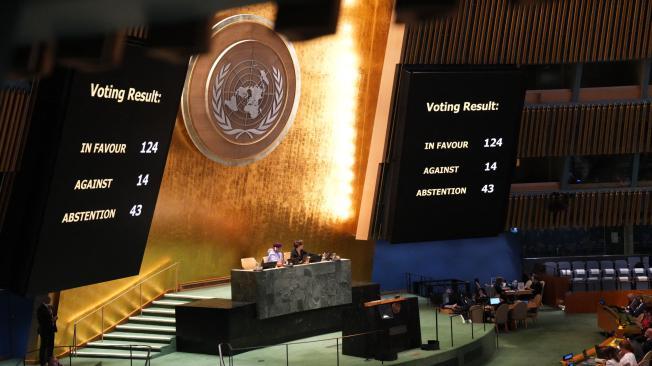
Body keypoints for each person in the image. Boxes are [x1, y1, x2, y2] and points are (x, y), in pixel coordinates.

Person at [37, 296, 57, 366]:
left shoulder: (49, 307)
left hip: (51, 330)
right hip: (45, 331)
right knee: (44, 347)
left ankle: (50, 362)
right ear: (44, 300)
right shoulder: (41, 309)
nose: (50, 300)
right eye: (48, 299)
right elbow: (42, 321)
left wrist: (53, 318)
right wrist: (52, 320)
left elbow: (50, 316)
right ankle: (43, 363)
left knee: (50, 346)